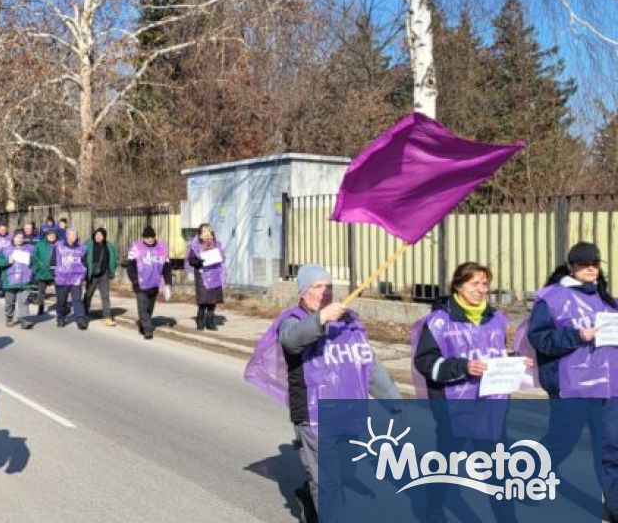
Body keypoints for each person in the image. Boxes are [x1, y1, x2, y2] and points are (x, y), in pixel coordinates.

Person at [244, 264, 399, 522]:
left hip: (348, 410)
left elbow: (366, 361)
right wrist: (321, 319)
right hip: (314, 414)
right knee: (328, 482)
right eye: (317, 286)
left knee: (345, 472)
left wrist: (392, 398)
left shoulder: (348, 321)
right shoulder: (293, 320)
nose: (324, 291)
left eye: (328, 286)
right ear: (303, 292)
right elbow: (291, 340)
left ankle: (307, 495)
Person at [412, 261, 529, 523]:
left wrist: (515, 361)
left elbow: (494, 356)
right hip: (454, 408)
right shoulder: (439, 321)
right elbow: (425, 362)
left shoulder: (496, 318)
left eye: (485, 283)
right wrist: (464, 367)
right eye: (474, 283)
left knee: (499, 471)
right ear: (459, 286)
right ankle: (434, 507)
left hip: (490, 407)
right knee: (447, 462)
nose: (481, 289)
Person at [526, 241, 618, 518]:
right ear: (571, 266)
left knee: (611, 447)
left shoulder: (607, 300)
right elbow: (540, 339)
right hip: (571, 386)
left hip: (609, 387)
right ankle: (528, 480)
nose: (590, 268)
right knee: (561, 442)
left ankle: (614, 506)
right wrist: (578, 335)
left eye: (595, 263)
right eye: (583, 264)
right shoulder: (551, 298)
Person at [124, 226, 172, 339]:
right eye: (147, 237)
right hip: (140, 284)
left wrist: (168, 283)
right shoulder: (136, 248)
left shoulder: (161, 248)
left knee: (149, 308)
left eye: (152, 237)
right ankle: (148, 330)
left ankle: (143, 324)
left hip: (154, 284)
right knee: (142, 308)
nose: (150, 239)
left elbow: (166, 267)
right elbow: (130, 266)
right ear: (143, 238)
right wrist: (134, 280)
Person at [186, 224, 227, 331]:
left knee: (212, 301)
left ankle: (210, 322)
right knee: (203, 301)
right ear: (200, 235)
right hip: (202, 277)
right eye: (204, 232)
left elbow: (223, 257)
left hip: (215, 275)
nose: (207, 234)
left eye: (209, 231)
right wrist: (198, 261)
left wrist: (219, 258)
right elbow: (191, 260)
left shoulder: (217, 245)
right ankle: (200, 321)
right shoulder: (195, 246)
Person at [0, 231, 36, 328]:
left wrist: (32, 272)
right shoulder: (6, 249)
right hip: (10, 281)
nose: (20, 239)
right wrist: (7, 261)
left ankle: (24, 320)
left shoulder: (29, 249)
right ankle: (9, 317)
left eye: (21, 237)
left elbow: (35, 262)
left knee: (24, 301)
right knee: (10, 302)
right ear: (13, 238)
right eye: (17, 237)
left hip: (24, 280)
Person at [52, 228, 88, 329]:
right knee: (61, 300)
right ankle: (60, 318)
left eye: (75, 235)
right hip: (62, 277)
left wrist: (84, 274)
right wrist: (53, 273)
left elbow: (84, 262)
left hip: (76, 277)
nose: (73, 237)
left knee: (77, 300)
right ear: (67, 236)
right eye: (71, 235)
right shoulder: (58, 245)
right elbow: (53, 260)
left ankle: (80, 320)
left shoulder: (81, 247)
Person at [84, 227, 118, 326]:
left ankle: (107, 317)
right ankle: (84, 313)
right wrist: (86, 269)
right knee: (88, 294)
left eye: (101, 235)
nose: (98, 237)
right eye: (97, 235)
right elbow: (82, 257)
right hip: (92, 274)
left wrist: (112, 269)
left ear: (104, 237)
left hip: (104, 274)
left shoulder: (109, 246)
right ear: (94, 235)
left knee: (105, 296)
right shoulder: (88, 245)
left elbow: (115, 258)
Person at [32, 227, 58, 315]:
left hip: (56, 272)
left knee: (59, 291)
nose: (52, 237)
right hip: (43, 272)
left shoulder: (59, 245)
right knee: (41, 291)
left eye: (54, 235)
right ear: (47, 236)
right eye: (50, 235)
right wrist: (39, 267)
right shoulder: (40, 245)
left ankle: (60, 307)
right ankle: (40, 308)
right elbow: (35, 258)